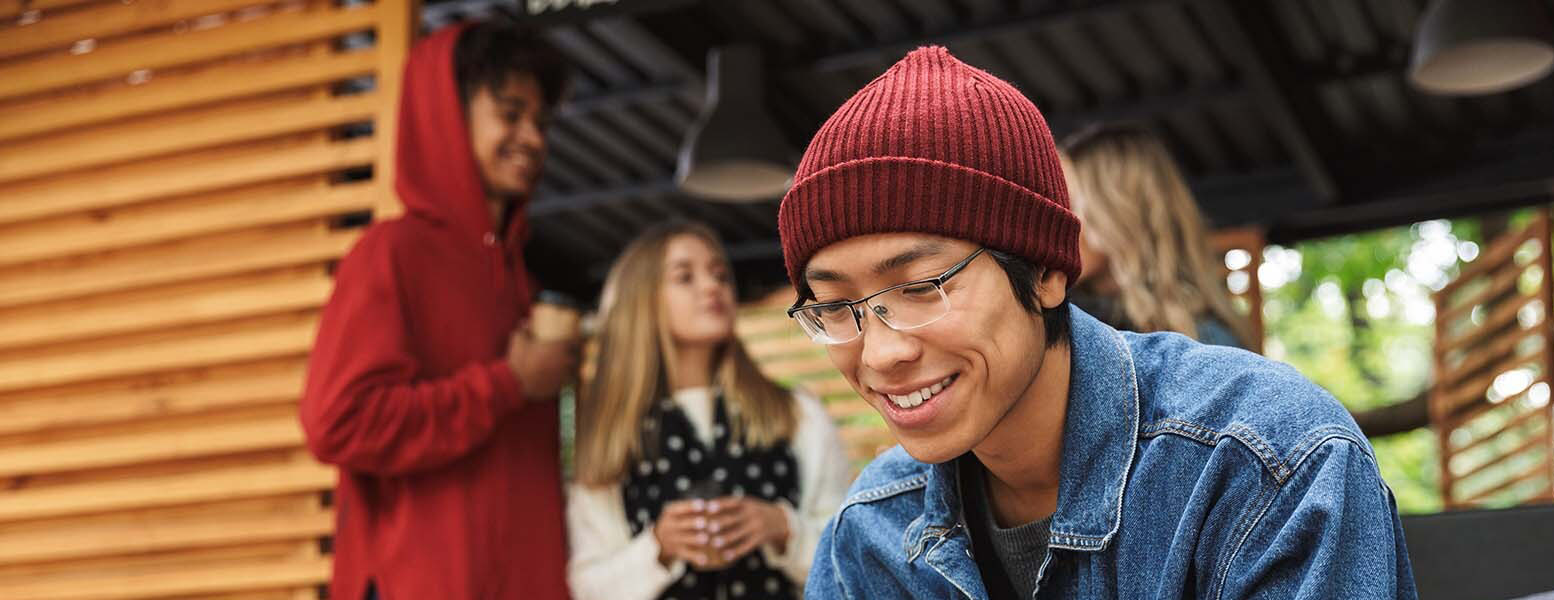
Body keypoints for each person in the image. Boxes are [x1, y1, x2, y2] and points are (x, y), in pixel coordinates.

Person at [778, 47, 1416, 599]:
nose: (879, 354)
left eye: (921, 287)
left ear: (1046, 272)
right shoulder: (869, 534)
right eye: (833, 307)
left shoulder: (1262, 465)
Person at [299, 22, 575, 600]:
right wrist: (506, 385)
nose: (532, 138)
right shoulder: (391, 254)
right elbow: (338, 423)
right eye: (510, 114)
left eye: (541, 122)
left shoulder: (521, 284)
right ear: (446, 116)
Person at [567, 221, 853, 600]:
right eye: (685, 277)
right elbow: (587, 588)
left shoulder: (798, 411)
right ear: (641, 301)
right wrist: (658, 548)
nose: (712, 287)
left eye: (720, 275)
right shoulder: (612, 437)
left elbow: (852, 554)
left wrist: (784, 529)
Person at [1058, 122, 1252, 349]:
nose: (1058, 221)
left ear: (1120, 213)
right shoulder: (1063, 319)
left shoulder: (1206, 341)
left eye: (1070, 204)